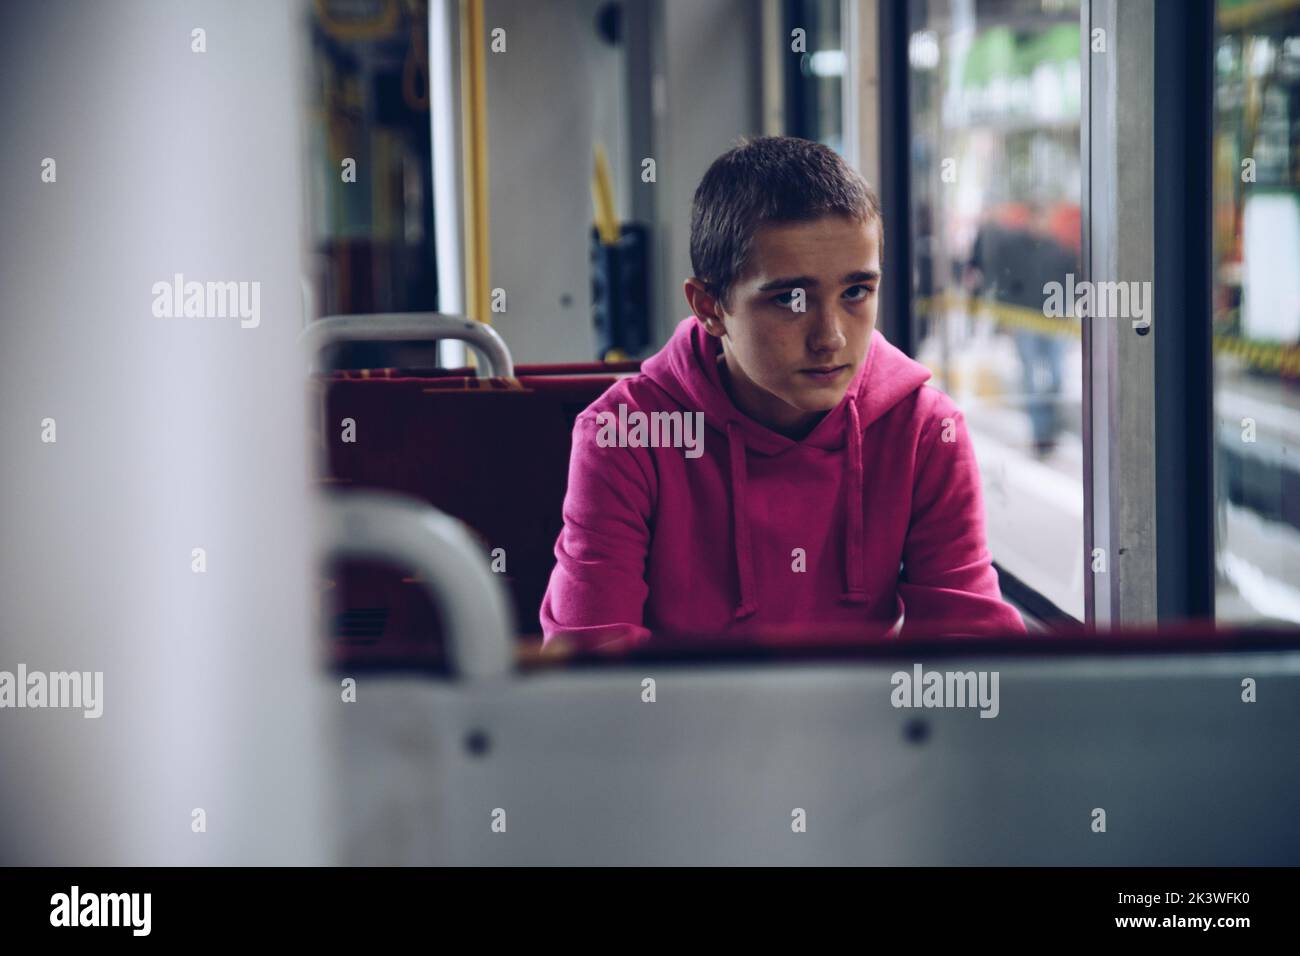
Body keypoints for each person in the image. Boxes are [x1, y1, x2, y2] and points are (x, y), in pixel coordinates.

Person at [541, 136, 1025, 649]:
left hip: (863, 728)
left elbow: (972, 650)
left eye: (856, 292)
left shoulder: (925, 429)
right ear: (710, 308)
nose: (831, 337)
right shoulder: (626, 436)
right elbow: (591, 668)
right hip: (678, 727)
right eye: (791, 300)